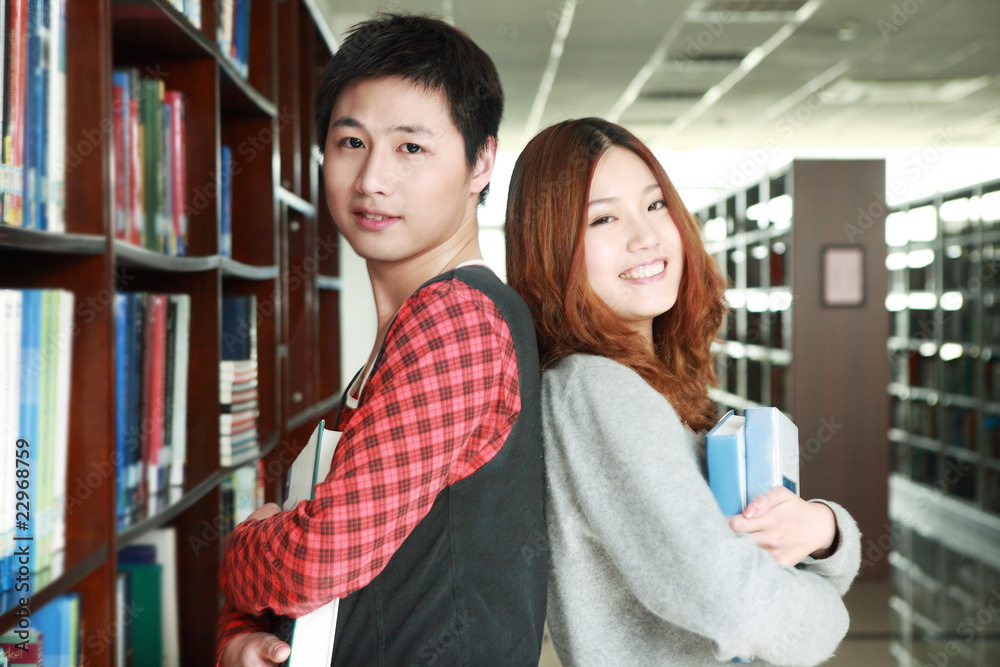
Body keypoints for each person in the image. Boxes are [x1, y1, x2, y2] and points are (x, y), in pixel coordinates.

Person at [216, 14, 547, 666]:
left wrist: (238, 549)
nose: (371, 179)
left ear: (481, 161)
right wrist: (241, 636)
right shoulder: (407, 331)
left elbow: (321, 555)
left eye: (410, 148)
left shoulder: (458, 321)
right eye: (350, 142)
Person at [504, 117, 862, 666]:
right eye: (603, 218)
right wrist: (832, 614)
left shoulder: (648, 382)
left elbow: (752, 563)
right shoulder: (597, 390)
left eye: (655, 205)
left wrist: (823, 529)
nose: (645, 236)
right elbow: (740, 606)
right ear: (552, 250)